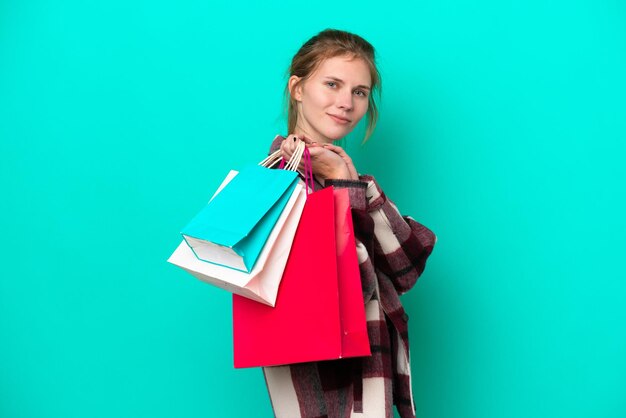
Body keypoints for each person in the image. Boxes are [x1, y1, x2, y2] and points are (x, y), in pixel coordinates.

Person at [264, 29, 437, 418]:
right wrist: (344, 185)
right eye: (332, 84)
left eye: (359, 92)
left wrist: (349, 182)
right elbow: (348, 289)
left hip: (368, 376)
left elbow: (407, 267)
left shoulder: (348, 176)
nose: (346, 103)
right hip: (325, 384)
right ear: (297, 88)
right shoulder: (279, 184)